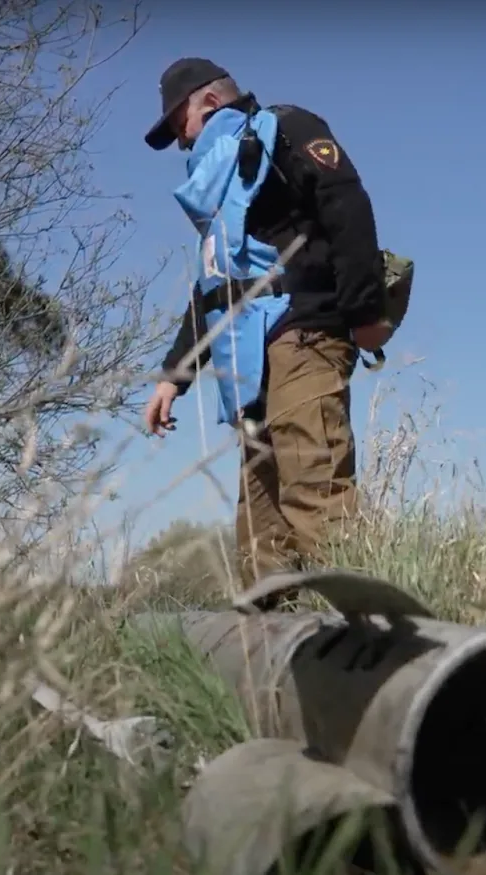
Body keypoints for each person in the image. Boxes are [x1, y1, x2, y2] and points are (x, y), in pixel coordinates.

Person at [140, 57, 392, 594]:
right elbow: (217, 289)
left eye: (179, 124)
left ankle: (365, 634)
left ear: (210, 100)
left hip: (302, 332)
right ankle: (276, 650)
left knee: (316, 493)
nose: (181, 144)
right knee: (260, 528)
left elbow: (347, 206)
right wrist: (173, 376)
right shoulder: (219, 192)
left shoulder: (286, 128)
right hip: (246, 363)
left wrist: (365, 311)